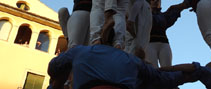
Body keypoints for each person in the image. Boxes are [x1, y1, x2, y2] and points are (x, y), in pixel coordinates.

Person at [46, 44, 201, 89]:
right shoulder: (132, 60)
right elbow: (162, 78)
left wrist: (57, 83)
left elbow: (53, 68)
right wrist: (194, 73)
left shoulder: (79, 51)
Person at [145, 0, 186, 68]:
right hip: (149, 43)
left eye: (157, 0)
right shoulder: (144, 14)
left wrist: (174, 7)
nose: (155, 1)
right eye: (152, 0)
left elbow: (178, 9)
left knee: (168, 68)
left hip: (164, 43)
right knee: (152, 68)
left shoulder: (164, 16)